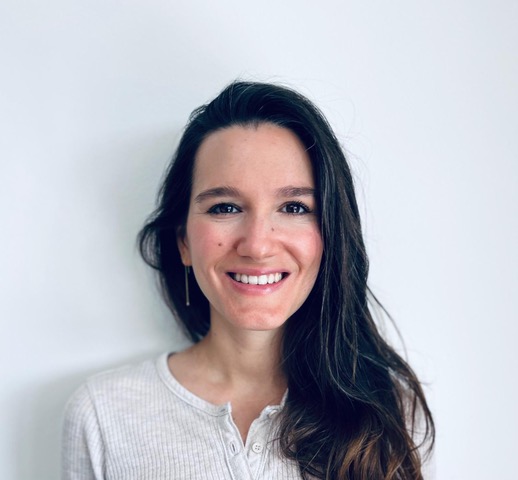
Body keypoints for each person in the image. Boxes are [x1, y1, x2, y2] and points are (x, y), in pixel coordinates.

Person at [62, 81, 435, 480]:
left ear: (330, 234)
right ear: (184, 242)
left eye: (294, 207)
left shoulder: (391, 410)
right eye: (225, 207)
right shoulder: (103, 416)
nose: (257, 246)